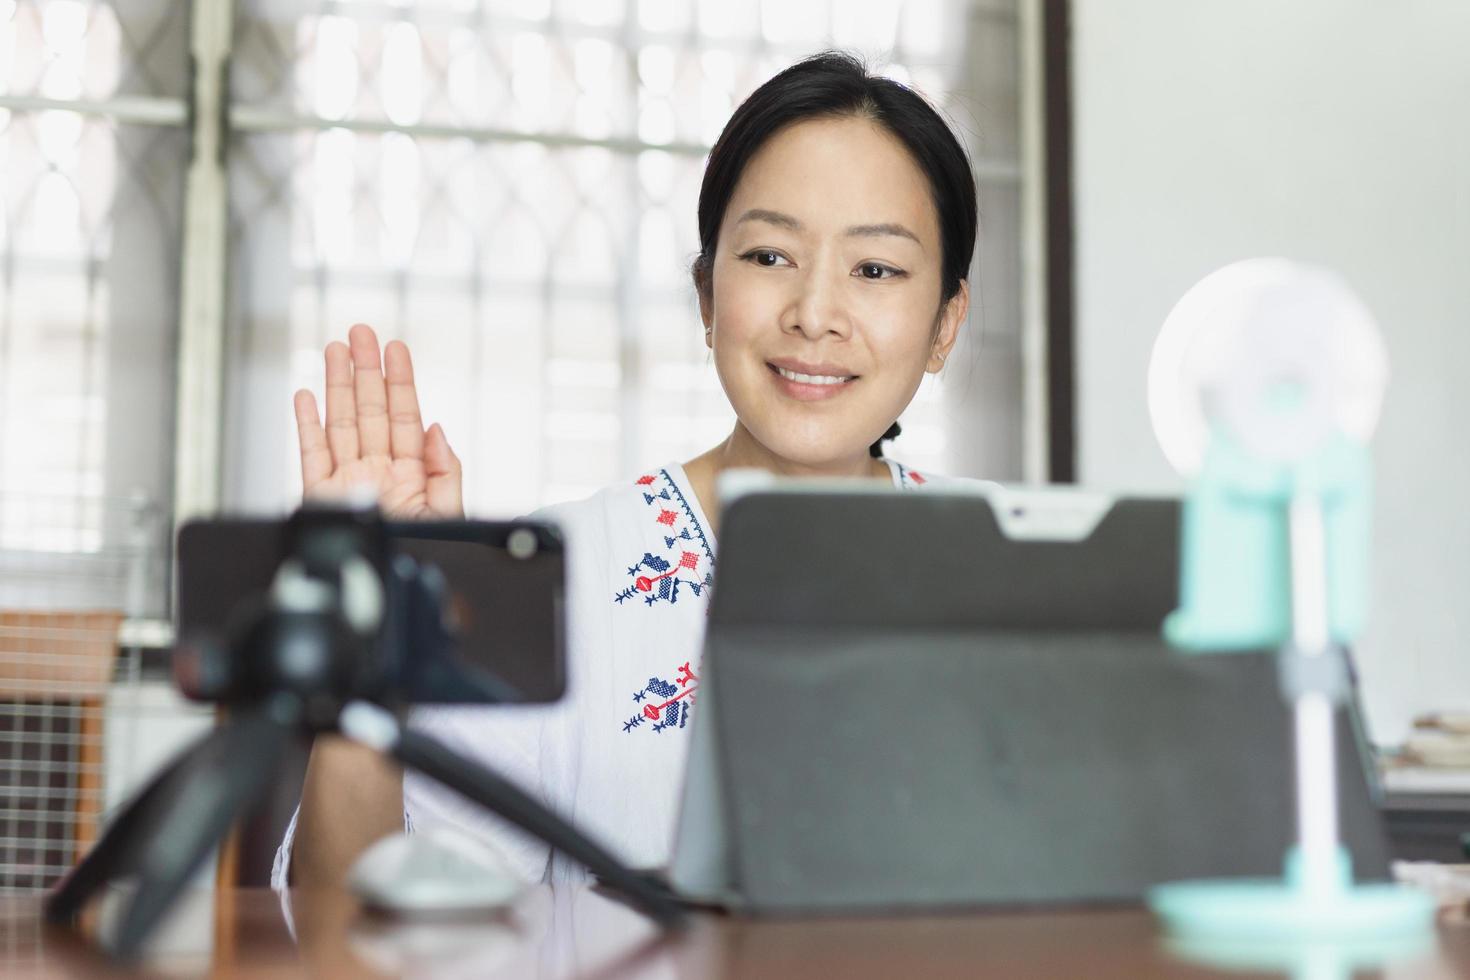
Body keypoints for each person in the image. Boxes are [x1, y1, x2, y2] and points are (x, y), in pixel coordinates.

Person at [274, 49, 978, 890]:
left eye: (875, 269)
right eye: (768, 257)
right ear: (708, 297)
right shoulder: (545, 577)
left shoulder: (1017, 577)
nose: (815, 315)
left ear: (945, 324)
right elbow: (356, 925)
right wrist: (372, 665)